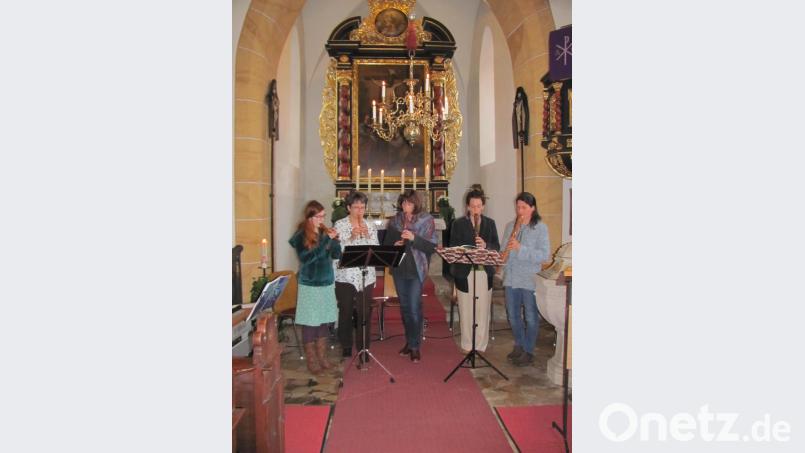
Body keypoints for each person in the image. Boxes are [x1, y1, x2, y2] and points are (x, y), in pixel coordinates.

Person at [382, 189, 437, 363]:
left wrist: (414, 238)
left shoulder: (426, 220)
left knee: (413, 308)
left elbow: (432, 247)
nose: (406, 206)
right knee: (405, 308)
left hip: (416, 269)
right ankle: (410, 340)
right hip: (399, 268)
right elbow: (386, 244)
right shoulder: (395, 220)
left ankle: (415, 347)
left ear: (416, 203)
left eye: (410, 203)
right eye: (404, 202)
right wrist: (395, 244)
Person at [288, 200, 342, 375]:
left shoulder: (324, 232)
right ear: (309, 217)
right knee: (311, 323)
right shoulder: (300, 235)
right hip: (310, 283)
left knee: (324, 321)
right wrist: (326, 240)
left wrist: (336, 241)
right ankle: (312, 361)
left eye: (323, 216)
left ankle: (323, 358)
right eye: (318, 216)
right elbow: (306, 258)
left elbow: (336, 255)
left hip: (326, 282)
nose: (322, 219)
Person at [501, 192, 550, 366]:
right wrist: (503, 256)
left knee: (530, 316)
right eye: (518, 207)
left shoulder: (540, 228)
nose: (520, 211)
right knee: (513, 315)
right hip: (511, 277)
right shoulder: (510, 226)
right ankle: (519, 344)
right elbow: (503, 250)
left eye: (524, 207)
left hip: (529, 278)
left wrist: (520, 248)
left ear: (532, 208)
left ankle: (528, 350)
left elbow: (544, 255)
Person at [449, 186, 500, 353]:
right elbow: (452, 247)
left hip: (484, 273)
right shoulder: (458, 223)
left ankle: (480, 345)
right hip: (464, 272)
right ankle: (467, 344)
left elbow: (496, 246)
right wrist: (466, 249)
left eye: (479, 206)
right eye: (472, 206)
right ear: (467, 206)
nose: (475, 209)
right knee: (466, 310)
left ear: (483, 206)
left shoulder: (490, 223)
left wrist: (486, 245)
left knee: (482, 310)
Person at [333, 191, 379, 363]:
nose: (359, 211)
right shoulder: (340, 224)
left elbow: (376, 249)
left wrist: (368, 236)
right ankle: (346, 344)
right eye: (356, 207)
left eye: (362, 207)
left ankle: (364, 347)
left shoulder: (370, 225)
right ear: (348, 208)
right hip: (345, 275)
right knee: (345, 310)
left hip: (366, 275)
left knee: (364, 312)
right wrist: (351, 237)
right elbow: (336, 251)